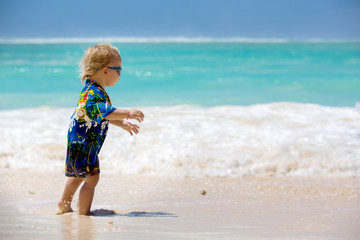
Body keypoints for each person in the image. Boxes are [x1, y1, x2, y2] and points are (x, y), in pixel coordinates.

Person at [57, 43, 144, 215]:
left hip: (81, 141)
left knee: (77, 175)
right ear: (105, 71)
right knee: (92, 178)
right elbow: (103, 111)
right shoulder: (94, 93)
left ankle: (64, 203)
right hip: (84, 143)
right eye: (119, 70)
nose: (120, 75)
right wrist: (128, 113)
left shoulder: (92, 90)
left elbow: (99, 114)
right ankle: (84, 213)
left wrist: (121, 123)